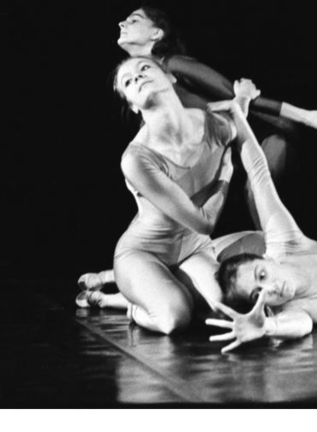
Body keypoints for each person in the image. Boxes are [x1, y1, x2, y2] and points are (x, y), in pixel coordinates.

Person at [116, 5, 317, 227]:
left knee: (257, 195)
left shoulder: (173, 64)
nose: (122, 24)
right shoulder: (141, 97)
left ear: (156, 33)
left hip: (262, 137)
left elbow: (237, 94)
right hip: (224, 153)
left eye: (134, 20)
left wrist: (306, 116)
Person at [76, 56, 237, 334]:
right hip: (143, 253)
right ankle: (128, 302)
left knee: (226, 310)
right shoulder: (136, 158)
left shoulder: (216, 125)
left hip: (194, 249)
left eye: (145, 68)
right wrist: (226, 175)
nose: (137, 77)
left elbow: (242, 130)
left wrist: (242, 101)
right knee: (176, 318)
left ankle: (122, 289)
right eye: (128, 81)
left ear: (171, 77)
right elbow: (204, 222)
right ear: (131, 104)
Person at [204, 84, 317, 353]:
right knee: (198, 292)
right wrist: (268, 327)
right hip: (227, 257)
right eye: (258, 294)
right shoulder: (294, 307)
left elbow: (258, 172)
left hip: (240, 245)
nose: (271, 289)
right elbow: (301, 324)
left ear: (268, 260)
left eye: (262, 275)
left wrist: (237, 112)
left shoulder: (285, 242)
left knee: (198, 263)